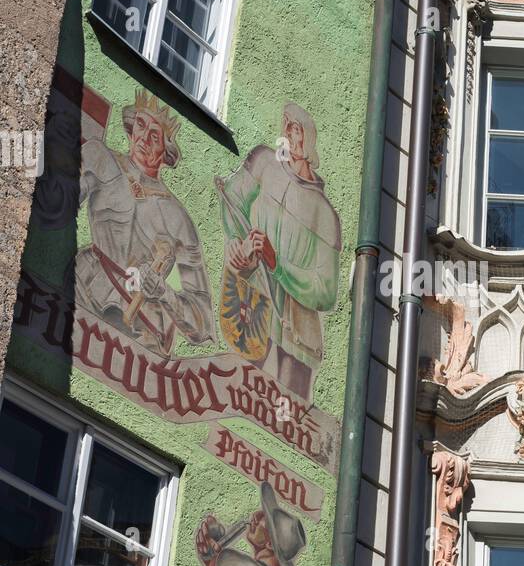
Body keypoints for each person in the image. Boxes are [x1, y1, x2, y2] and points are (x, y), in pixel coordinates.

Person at [74, 88, 215, 355]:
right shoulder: (101, 158)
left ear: (166, 151)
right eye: (140, 124)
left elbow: (202, 322)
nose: (144, 139)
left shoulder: (178, 218)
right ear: (130, 127)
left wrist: (164, 292)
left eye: (155, 135)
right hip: (84, 287)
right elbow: (55, 204)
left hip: (139, 330)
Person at [216, 102, 341, 400]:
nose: (285, 134)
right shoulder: (264, 162)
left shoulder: (325, 215)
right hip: (252, 309)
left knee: (284, 412)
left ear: (307, 141)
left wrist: (278, 263)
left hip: (297, 340)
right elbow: (232, 199)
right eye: (285, 126)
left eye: (293, 129)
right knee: (236, 391)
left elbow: (325, 291)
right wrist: (236, 241)